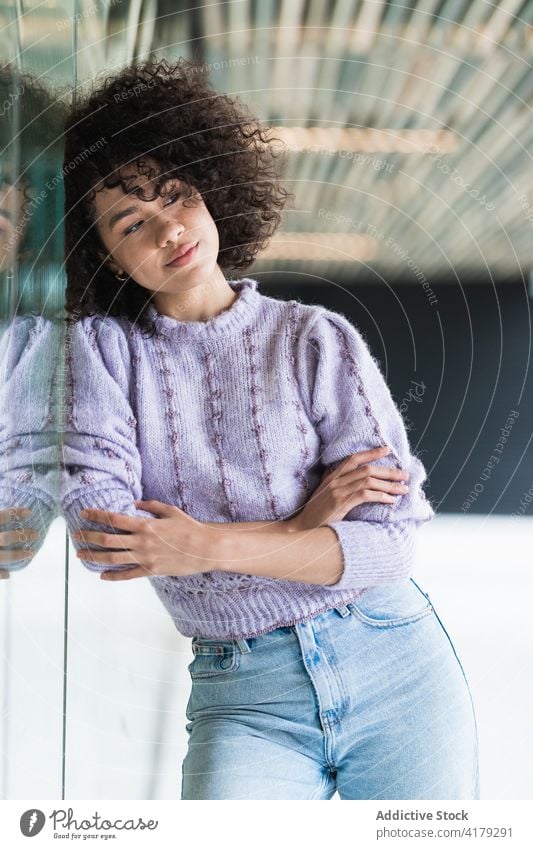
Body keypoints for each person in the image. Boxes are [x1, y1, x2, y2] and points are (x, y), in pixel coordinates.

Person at [60, 56, 479, 800]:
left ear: (210, 191)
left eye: (175, 196)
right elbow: (110, 540)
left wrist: (204, 545)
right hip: (243, 693)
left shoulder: (316, 339)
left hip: (391, 661)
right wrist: (305, 526)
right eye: (132, 222)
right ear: (108, 259)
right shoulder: (104, 355)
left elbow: (386, 544)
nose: (168, 228)